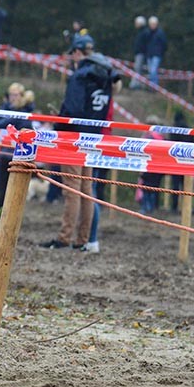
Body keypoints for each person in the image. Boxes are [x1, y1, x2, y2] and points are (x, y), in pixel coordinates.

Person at [41, 33, 120, 250]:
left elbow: (73, 110)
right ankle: (82, 238)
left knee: (72, 190)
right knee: (87, 190)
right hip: (94, 136)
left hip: (73, 138)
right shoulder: (106, 75)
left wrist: (59, 122)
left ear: (77, 52)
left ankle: (64, 237)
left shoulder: (80, 76)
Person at [0, 83, 34, 216]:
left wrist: (12, 118)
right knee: (2, 186)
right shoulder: (6, 109)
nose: (13, 97)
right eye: (11, 94)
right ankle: (0, 214)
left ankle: (3, 215)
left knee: (12, 187)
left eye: (16, 94)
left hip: (18, 153)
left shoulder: (25, 113)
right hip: (5, 151)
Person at [166, 111, 194, 212]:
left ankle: (174, 207)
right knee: (186, 185)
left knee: (175, 185)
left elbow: (170, 144)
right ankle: (186, 207)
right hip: (187, 161)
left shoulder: (173, 129)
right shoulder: (188, 128)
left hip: (175, 161)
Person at [137, 115, 165, 215]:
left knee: (146, 188)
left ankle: (145, 208)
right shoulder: (161, 136)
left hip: (148, 166)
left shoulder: (148, 136)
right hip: (158, 167)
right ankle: (152, 208)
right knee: (154, 188)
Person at [145, 16, 167, 86]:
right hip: (149, 54)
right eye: (151, 24)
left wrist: (161, 52)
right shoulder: (148, 33)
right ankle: (152, 85)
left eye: (154, 24)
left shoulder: (160, 33)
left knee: (153, 70)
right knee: (150, 71)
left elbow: (164, 44)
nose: (152, 25)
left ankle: (154, 86)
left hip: (157, 54)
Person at [128, 16, 149, 89]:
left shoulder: (144, 33)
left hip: (141, 53)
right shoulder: (141, 32)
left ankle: (136, 85)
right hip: (139, 53)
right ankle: (140, 85)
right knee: (139, 69)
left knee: (138, 69)